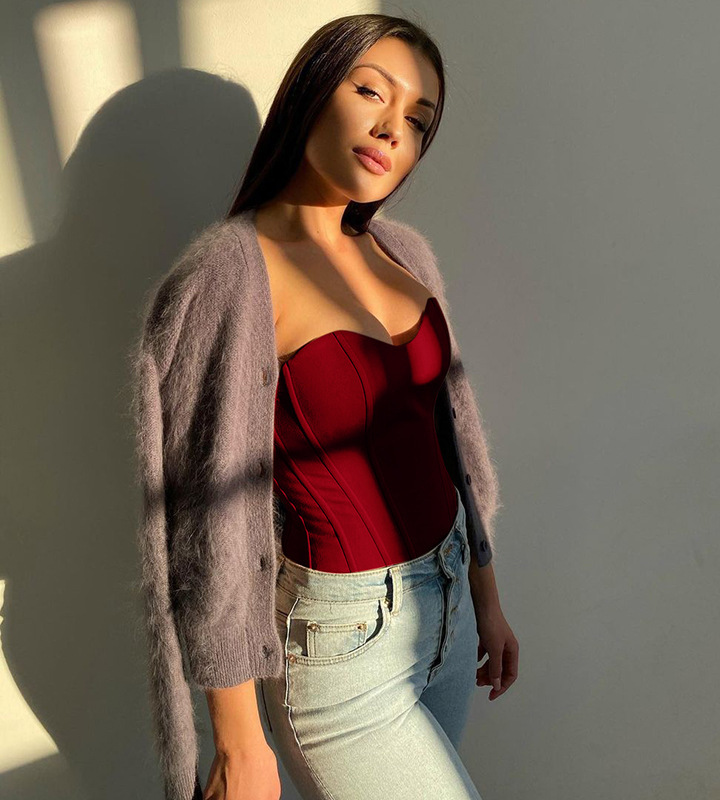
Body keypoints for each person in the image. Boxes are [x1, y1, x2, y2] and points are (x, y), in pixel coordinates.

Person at [131, 13, 518, 800]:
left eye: (418, 121)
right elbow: (203, 519)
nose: (392, 128)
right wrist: (239, 740)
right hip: (341, 650)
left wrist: (485, 593)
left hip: (446, 613)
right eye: (371, 91)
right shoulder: (228, 276)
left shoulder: (403, 253)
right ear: (311, 92)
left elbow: (448, 440)